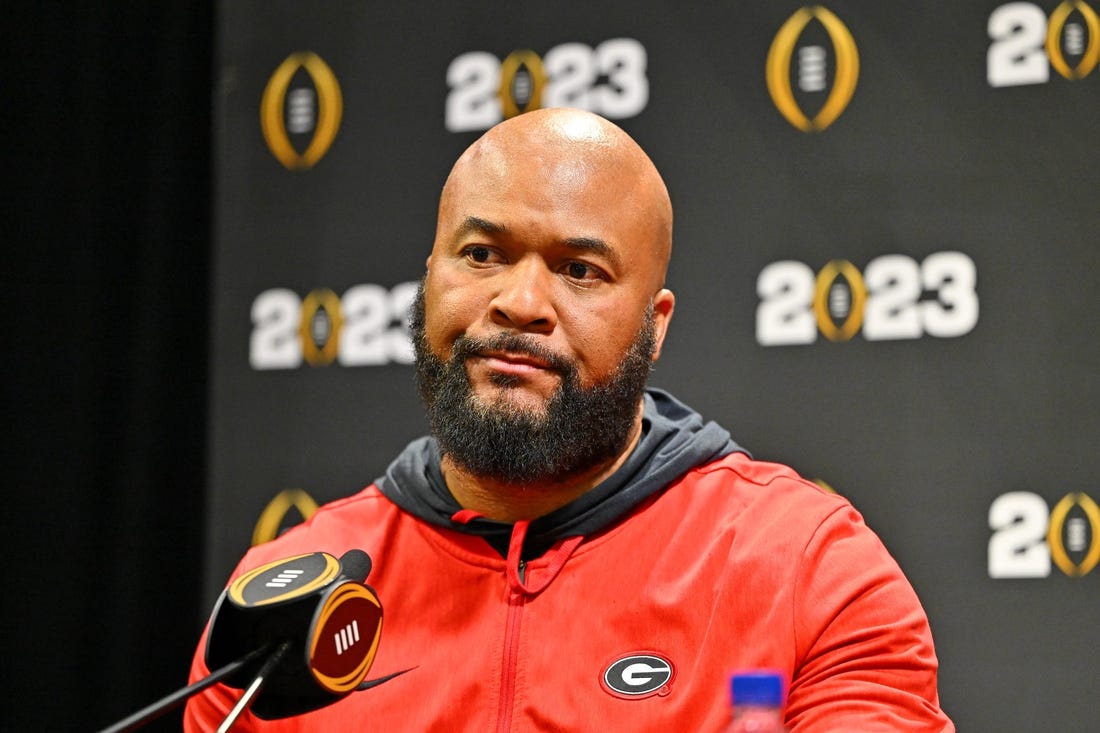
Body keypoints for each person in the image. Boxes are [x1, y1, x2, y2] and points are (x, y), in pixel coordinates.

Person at [184, 108, 954, 731]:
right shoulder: (283, 602)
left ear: (655, 326)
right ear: (427, 283)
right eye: (482, 253)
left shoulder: (806, 571)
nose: (519, 302)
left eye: (580, 270)